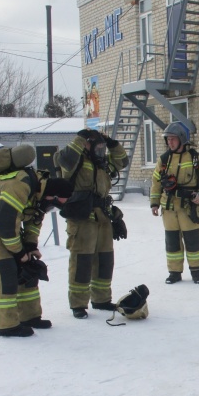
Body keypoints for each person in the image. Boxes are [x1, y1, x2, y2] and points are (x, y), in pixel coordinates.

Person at [0, 145, 74, 337]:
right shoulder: (20, 184)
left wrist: (30, 247)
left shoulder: (39, 193)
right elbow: (6, 222)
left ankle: (30, 316)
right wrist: (18, 252)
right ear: (53, 195)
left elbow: (34, 219)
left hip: (5, 232)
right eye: (55, 203)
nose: (53, 207)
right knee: (5, 274)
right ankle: (6, 325)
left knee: (28, 272)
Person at [54, 128, 129, 319]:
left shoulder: (102, 163)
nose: (101, 151)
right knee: (82, 262)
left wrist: (111, 143)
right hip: (82, 217)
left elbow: (122, 161)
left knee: (105, 260)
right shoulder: (73, 160)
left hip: (103, 217)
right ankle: (78, 304)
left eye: (103, 148)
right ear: (87, 144)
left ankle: (101, 299)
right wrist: (80, 138)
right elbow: (66, 159)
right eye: (98, 146)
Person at [150, 122, 199, 284]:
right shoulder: (164, 159)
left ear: (181, 139)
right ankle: (174, 272)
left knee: (192, 240)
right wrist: (154, 203)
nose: (170, 142)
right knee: (172, 242)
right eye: (168, 139)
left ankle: (195, 271)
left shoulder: (195, 157)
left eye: (173, 139)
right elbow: (156, 183)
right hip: (169, 207)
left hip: (188, 207)